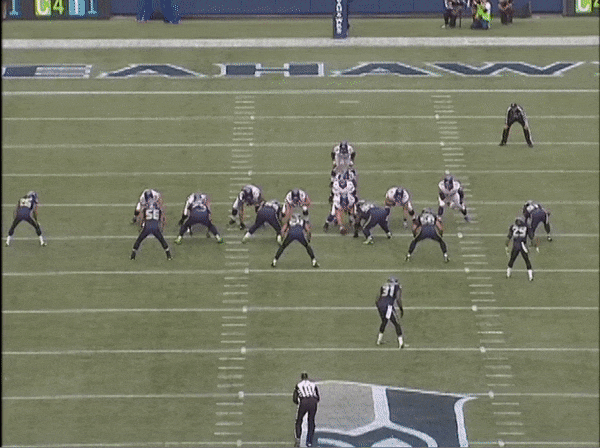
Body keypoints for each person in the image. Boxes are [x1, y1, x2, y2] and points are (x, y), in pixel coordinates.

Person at [376, 276, 405, 348]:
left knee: (384, 321)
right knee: (397, 323)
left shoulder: (384, 286)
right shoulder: (397, 287)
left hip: (380, 305)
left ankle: (379, 340)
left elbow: (377, 298)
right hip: (388, 306)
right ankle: (401, 343)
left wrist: (379, 307)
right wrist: (401, 309)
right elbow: (398, 299)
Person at [293, 372, 320, 447]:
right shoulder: (313, 384)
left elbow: (294, 399)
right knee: (311, 421)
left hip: (304, 402)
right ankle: (309, 441)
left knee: (299, 421)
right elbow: (318, 397)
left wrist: (300, 403)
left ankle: (298, 439)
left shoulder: (298, 385)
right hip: (313, 401)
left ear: (301, 378)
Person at [505, 216, 534, 281]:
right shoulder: (526, 227)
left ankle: (508, 274)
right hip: (523, 245)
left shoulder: (513, 227)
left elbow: (509, 237)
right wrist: (534, 244)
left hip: (516, 245)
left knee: (512, 259)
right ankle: (530, 276)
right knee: (526, 260)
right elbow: (531, 236)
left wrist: (506, 245)